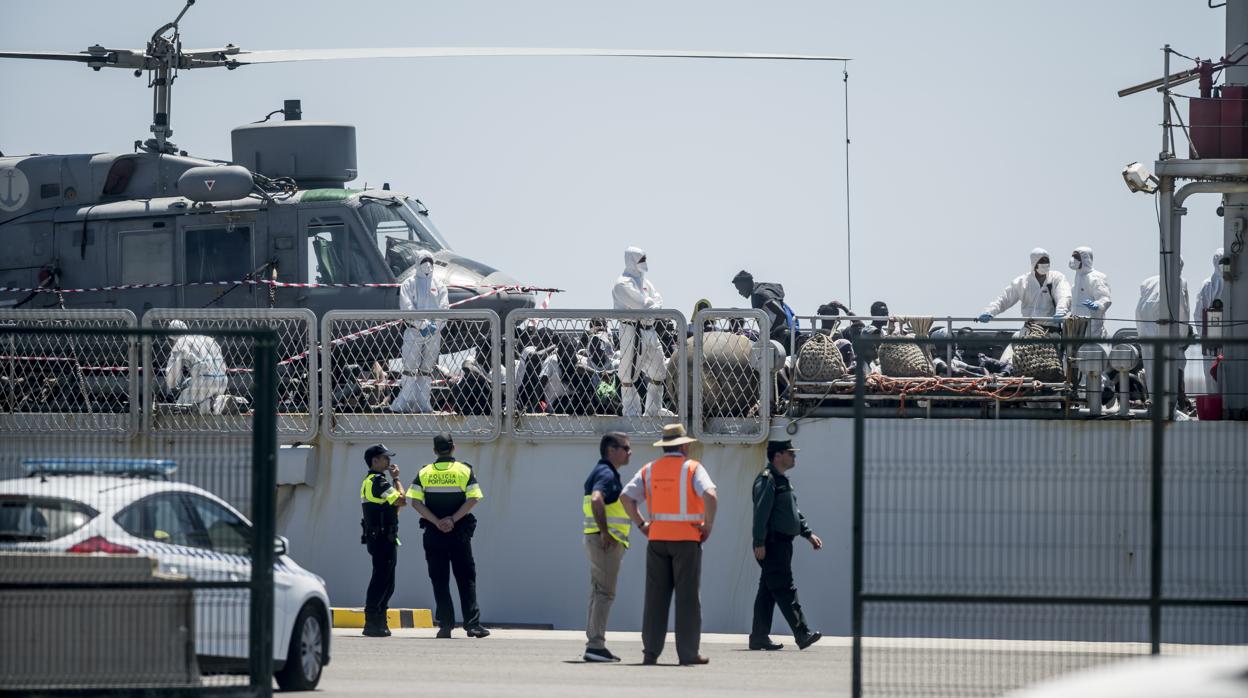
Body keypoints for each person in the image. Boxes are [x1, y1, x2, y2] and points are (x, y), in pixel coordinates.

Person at [620, 424, 718, 666]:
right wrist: (707, 525)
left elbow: (626, 497)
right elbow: (710, 495)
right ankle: (688, 653)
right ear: (684, 445)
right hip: (686, 541)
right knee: (687, 599)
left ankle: (650, 652)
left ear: (664, 446)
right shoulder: (692, 468)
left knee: (655, 598)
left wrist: (642, 524)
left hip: (657, 541)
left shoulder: (650, 470)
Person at [406, 433, 489, 639]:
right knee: (466, 578)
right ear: (454, 448)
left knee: (439, 580)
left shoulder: (424, 472)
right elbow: (474, 498)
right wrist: (452, 519)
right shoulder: (464, 470)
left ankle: (445, 626)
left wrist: (437, 522)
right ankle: (472, 625)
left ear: (435, 451)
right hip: (459, 534)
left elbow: (415, 502)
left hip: (434, 534)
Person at [749, 439, 823, 652]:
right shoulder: (767, 479)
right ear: (778, 455)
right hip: (772, 544)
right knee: (784, 588)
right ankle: (802, 633)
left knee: (768, 592)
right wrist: (759, 542)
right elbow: (761, 513)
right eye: (790, 453)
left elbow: (793, 512)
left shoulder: (781, 480)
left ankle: (759, 637)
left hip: (781, 543)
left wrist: (807, 533)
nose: (794, 456)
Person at [581, 432, 633, 662]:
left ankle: (594, 641)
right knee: (605, 592)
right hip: (605, 543)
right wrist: (605, 531)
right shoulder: (606, 473)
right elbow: (596, 499)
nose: (629, 452)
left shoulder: (601, 470)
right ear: (611, 450)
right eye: (625, 448)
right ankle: (595, 645)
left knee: (598, 590)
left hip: (597, 539)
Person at [612, 247, 669, 417]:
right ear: (632, 261)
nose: (644, 263)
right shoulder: (622, 283)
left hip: (649, 330)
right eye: (641, 259)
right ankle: (631, 410)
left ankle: (654, 410)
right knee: (629, 373)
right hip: (632, 330)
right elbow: (643, 306)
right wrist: (651, 304)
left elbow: (657, 300)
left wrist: (651, 304)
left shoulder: (644, 281)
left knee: (659, 371)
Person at [391, 252, 450, 413]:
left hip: (434, 333)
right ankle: (405, 401)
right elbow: (407, 307)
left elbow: (444, 308)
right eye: (424, 261)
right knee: (410, 367)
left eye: (430, 261)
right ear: (418, 262)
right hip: (413, 330)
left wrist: (435, 326)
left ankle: (424, 402)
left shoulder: (439, 285)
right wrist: (421, 323)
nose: (427, 264)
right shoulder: (408, 284)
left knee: (426, 369)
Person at [360, 444, 407, 637]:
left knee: (388, 580)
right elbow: (402, 501)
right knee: (381, 579)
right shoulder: (378, 482)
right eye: (385, 458)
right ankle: (372, 621)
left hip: (384, 536)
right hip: (380, 538)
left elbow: (396, 508)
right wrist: (397, 478)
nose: (389, 461)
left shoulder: (376, 481)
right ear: (375, 461)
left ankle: (379, 619)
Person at [1135, 260, 1191, 399]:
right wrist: (1183, 337)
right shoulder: (1180, 282)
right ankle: (1170, 405)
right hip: (1167, 333)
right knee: (1170, 368)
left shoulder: (1149, 281)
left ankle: (1154, 402)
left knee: (1151, 367)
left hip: (1145, 330)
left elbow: (1140, 308)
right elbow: (1183, 311)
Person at [978, 248, 1073, 329]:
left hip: (1051, 332)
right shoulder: (1022, 282)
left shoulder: (1056, 278)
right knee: (1010, 350)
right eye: (1041, 262)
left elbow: (1064, 295)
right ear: (1034, 263)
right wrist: (990, 311)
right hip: (1028, 330)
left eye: (1046, 261)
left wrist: (1061, 310)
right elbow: (1004, 299)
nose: (1045, 264)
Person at [164, 319, 228, 414]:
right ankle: (219, 402)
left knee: (182, 406)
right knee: (202, 397)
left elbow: (172, 373)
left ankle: (211, 405)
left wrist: (173, 386)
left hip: (204, 382)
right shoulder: (208, 339)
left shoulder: (180, 342)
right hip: (223, 380)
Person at [732, 270, 796, 350]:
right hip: (783, 334)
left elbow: (781, 314)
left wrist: (770, 334)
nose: (739, 292)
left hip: (779, 337)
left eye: (740, 289)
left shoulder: (759, 294)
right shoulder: (760, 290)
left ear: (746, 283)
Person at [1194, 248, 1225, 393]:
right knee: (1211, 373)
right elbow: (1199, 314)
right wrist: (1204, 336)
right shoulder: (1208, 285)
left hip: (1230, 336)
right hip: (1212, 335)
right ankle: (1215, 404)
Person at [1068, 246, 1113, 339]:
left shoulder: (1095, 277)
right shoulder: (1078, 279)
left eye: (1076, 257)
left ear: (1084, 259)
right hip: (1076, 328)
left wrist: (1098, 305)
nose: (1073, 260)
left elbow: (1104, 298)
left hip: (1092, 329)